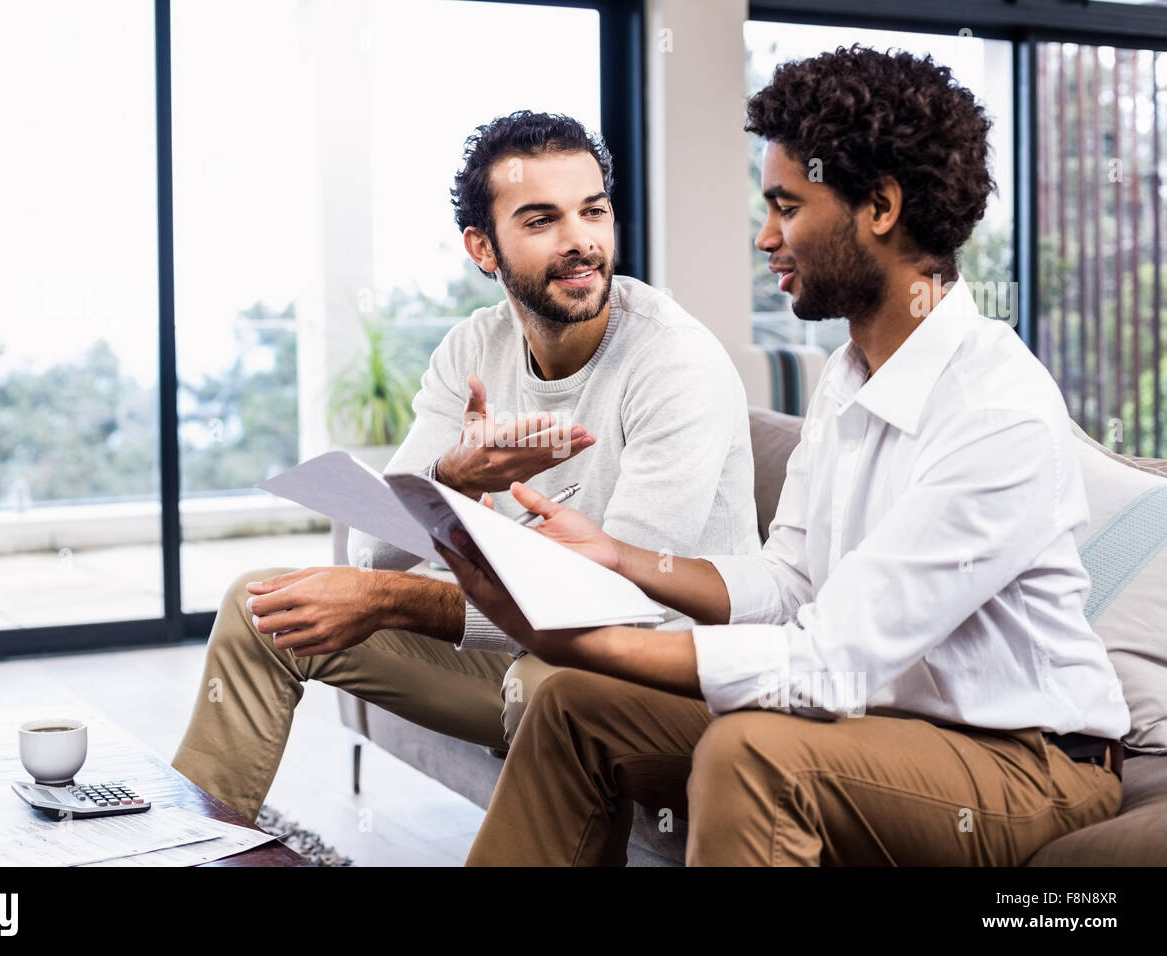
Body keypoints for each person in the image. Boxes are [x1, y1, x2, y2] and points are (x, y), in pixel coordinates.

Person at [439, 47, 1131, 866]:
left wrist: (581, 638)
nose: (765, 237)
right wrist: (620, 559)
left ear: (879, 206)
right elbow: (791, 585)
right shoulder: (849, 377)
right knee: (574, 705)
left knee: (755, 752)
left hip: (1023, 763)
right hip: (874, 725)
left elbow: (828, 662)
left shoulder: (994, 410)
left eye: (785, 206)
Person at [171, 111, 760, 823]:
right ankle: (193, 842)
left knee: (548, 687)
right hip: (528, 651)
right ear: (483, 248)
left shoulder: (675, 362)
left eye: (594, 211)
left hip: (651, 677)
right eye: (542, 220)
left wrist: (391, 599)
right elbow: (373, 550)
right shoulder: (472, 348)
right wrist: (450, 477)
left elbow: (615, 608)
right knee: (261, 603)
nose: (582, 242)